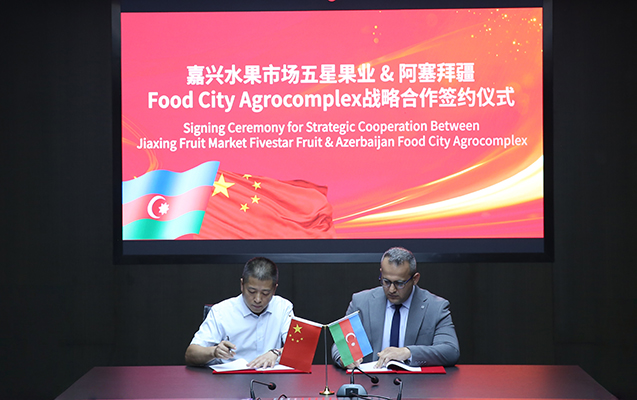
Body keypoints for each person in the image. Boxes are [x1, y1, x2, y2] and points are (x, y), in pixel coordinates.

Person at [332, 247, 460, 369]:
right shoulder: (361, 302)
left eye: (400, 283)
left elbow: (450, 350)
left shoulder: (435, 307)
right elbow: (340, 345)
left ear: (415, 279)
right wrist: (344, 358)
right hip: (371, 380)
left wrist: (408, 352)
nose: (392, 290)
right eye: (386, 282)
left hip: (416, 382)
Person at [185, 257, 293, 368]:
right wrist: (214, 351)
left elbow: (298, 348)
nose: (258, 299)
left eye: (265, 293)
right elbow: (190, 354)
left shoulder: (283, 307)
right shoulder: (221, 311)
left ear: (274, 289)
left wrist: (276, 353)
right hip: (231, 377)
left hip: (272, 377)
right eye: (252, 291)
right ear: (242, 285)